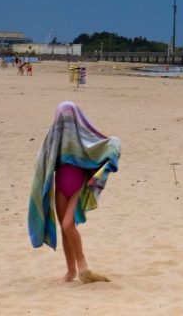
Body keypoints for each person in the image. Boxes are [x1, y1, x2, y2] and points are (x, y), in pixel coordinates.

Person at [28, 101, 121, 284]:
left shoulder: (83, 139)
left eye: (69, 118)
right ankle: (70, 271)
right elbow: (44, 160)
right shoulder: (54, 139)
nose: (65, 122)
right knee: (64, 231)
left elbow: (102, 148)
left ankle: (83, 265)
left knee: (68, 225)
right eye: (62, 118)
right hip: (61, 188)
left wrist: (109, 153)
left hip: (77, 188)